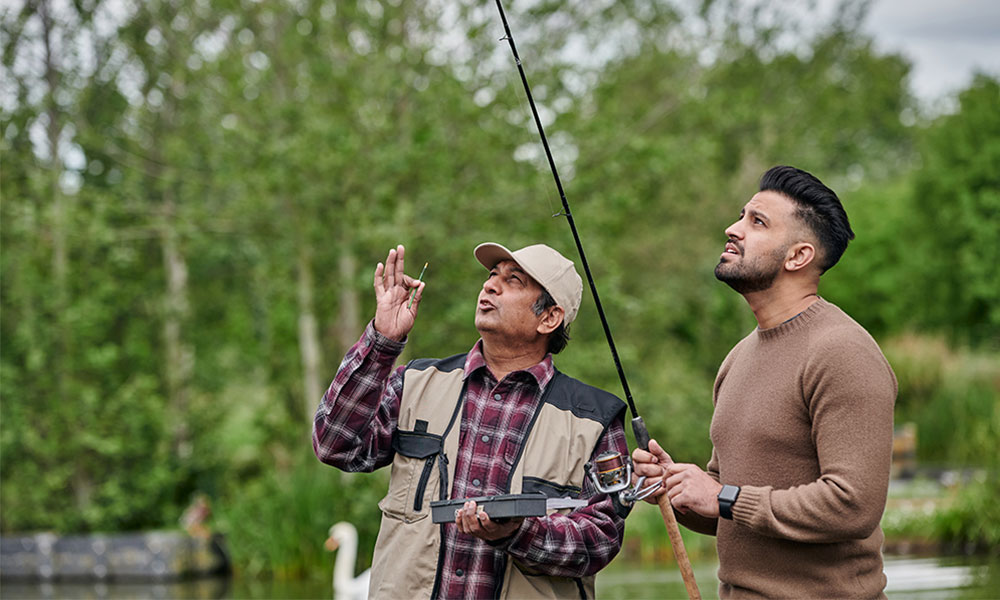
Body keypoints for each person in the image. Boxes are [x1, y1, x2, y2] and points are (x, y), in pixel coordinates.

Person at [634, 166, 897, 598]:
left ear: (798, 256)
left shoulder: (843, 351)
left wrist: (723, 496)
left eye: (757, 221)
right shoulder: (737, 358)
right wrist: (677, 488)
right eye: (742, 215)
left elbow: (853, 506)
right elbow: (726, 508)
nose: (732, 228)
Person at [313, 242, 629, 599]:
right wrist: (383, 340)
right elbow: (335, 445)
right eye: (492, 275)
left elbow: (600, 539)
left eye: (514, 281)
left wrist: (517, 533)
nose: (490, 285)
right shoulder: (415, 383)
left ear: (549, 318)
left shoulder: (595, 420)